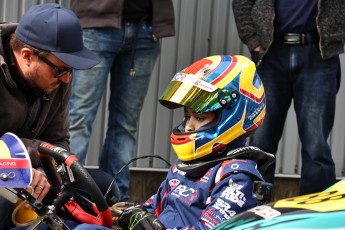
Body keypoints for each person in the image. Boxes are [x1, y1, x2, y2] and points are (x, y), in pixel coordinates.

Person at [112, 55, 275, 229]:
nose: (188, 126)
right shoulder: (182, 167)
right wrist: (125, 216)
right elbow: (151, 209)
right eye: (187, 116)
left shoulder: (236, 178)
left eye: (199, 117)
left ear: (232, 118)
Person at [0, 3, 118, 229]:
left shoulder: (58, 77)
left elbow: (59, 143)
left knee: (103, 186)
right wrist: (19, 168)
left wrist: (44, 173)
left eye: (70, 70)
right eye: (61, 70)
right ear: (27, 56)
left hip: (34, 179)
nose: (66, 79)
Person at [232, 0, 344, 195]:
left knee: (316, 145)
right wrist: (254, 42)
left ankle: (316, 218)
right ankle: (254, 209)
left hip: (319, 56)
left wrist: (336, 34)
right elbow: (242, 2)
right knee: (261, 141)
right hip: (270, 55)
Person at [68, 0, 175, 201]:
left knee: (126, 123)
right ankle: (67, 192)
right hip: (95, 25)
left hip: (145, 29)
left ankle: (116, 198)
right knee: (79, 118)